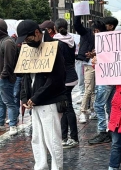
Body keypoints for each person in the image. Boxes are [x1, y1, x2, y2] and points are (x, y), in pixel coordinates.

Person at [17, 20, 66, 170]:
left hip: (50, 101)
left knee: (52, 139)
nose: (26, 42)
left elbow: (56, 78)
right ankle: (41, 166)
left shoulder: (56, 46)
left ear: (37, 33)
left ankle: (57, 168)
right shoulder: (27, 48)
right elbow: (25, 76)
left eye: (28, 38)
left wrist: (35, 97)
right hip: (34, 101)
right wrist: (24, 97)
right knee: (37, 138)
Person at [87, 17, 118, 145]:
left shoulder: (104, 42)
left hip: (106, 78)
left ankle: (103, 132)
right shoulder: (113, 40)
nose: (94, 33)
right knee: (110, 105)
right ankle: (111, 130)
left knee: (99, 105)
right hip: (112, 78)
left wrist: (96, 59)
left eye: (96, 31)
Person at [53, 18, 79, 149]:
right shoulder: (71, 40)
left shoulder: (56, 42)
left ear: (56, 28)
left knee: (66, 108)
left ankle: (72, 137)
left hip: (64, 78)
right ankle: (64, 136)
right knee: (64, 107)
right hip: (72, 75)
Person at [73, 15, 95, 123]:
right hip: (89, 64)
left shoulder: (103, 35)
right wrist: (78, 14)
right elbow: (77, 25)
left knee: (95, 90)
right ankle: (83, 111)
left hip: (99, 65)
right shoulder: (86, 32)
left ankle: (92, 109)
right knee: (88, 89)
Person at [0, 19, 18, 136]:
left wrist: (3, 76)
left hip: (5, 78)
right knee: (1, 102)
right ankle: (1, 122)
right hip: (2, 77)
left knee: (9, 102)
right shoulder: (4, 41)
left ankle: (13, 125)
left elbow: (9, 63)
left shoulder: (7, 42)